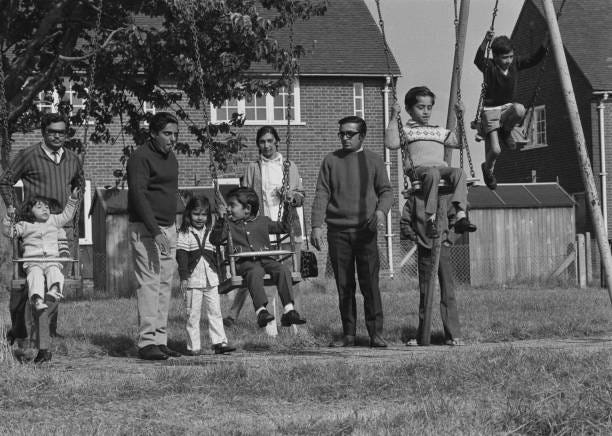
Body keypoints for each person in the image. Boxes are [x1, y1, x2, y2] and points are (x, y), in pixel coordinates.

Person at [0, 112, 83, 345]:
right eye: (52, 131)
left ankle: (46, 333)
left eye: (62, 132)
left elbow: (79, 184)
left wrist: (75, 205)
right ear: (43, 132)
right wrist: (16, 210)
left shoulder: (73, 159)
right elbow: (5, 181)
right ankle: (19, 331)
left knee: (54, 284)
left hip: (60, 229)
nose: (57, 136)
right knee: (24, 285)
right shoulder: (29, 155)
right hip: (32, 229)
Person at [310, 116, 393, 348]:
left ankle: (376, 333)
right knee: (344, 284)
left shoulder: (374, 161)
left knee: (370, 284)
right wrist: (316, 225)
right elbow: (321, 194)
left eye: (350, 134)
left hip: (366, 230)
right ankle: (349, 334)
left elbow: (386, 191)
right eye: (342, 134)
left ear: (362, 136)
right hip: (338, 232)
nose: (345, 138)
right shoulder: (330, 161)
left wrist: (380, 213)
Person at [223, 125, 304, 327]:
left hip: (283, 223)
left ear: (276, 141)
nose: (266, 145)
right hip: (258, 222)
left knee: (284, 271)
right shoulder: (253, 167)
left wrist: (290, 197)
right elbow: (245, 195)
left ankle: (292, 319)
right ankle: (251, 318)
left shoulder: (289, 166)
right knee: (253, 269)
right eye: (262, 141)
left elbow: (300, 195)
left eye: (270, 140)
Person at [385, 86, 477, 239]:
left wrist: (460, 116)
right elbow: (391, 142)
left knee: (459, 173)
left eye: (429, 107)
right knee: (432, 173)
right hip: (419, 170)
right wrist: (394, 116)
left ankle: (461, 215)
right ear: (408, 109)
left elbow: (459, 142)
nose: (426, 112)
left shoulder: (438, 131)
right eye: (421, 107)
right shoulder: (406, 130)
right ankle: (430, 220)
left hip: (439, 168)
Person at [210, 187, 306, 329]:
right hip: (244, 263)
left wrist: (288, 206)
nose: (229, 208)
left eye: (232, 205)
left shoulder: (263, 221)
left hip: (266, 259)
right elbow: (215, 239)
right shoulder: (228, 224)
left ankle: (289, 310)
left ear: (247, 209)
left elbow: (284, 227)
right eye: (228, 205)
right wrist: (221, 220)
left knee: (282, 269)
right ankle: (261, 311)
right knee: (254, 272)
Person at [1, 187, 79, 362]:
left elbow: (67, 215)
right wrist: (8, 217)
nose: (45, 209)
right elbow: (9, 232)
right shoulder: (25, 225)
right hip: (33, 262)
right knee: (34, 278)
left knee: (55, 272)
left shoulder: (54, 221)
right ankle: (36, 299)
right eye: (39, 207)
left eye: (47, 207)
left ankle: (54, 289)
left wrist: (73, 199)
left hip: (51, 260)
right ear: (30, 211)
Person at [127, 112, 181, 361]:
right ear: (153, 134)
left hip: (169, 228)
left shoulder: (171, 158)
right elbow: (139, 196)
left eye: (175, 134)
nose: (173, 139)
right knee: (149, 284)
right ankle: (147, 342)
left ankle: (160, 338)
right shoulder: (140, 158)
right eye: (167, 134)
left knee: (164, 284)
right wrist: (155, 231)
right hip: (147, 230)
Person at [475, 30, 549, 190]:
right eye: (504, 57)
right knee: (495, 150)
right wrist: (485, 41)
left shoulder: (515, 63)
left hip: (507, 108)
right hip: (490, 111)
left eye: (510, 56)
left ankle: (505, 131)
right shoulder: (489, 66)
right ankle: (487, 169)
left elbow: (534, 59)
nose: (508, 61)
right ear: (495, 57)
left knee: (520, 109)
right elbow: (477, 59)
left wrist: (546, 40)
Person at [400, 188, 463, 347]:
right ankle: (423, 336)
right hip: (425, 249)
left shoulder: (444, 197)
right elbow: (405, 222)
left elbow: (456, 219)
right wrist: (416, 238)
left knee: (447, 291)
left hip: (442, 248)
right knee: (425, 292)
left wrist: (450, 239)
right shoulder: (415, 199)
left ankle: (453, 335)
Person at [176, 195, 236, 355]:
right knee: (192, 314)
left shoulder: (211, 232)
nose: (200, 218)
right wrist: (183, 277)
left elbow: (220, 238)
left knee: (215, 311)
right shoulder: (184, 233)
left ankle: (219, 342)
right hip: (192, 280)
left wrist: (223, 218)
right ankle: (193, 346)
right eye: (196, 214)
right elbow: (181, 256)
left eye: (203, 214)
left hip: (211, 279)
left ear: (208, 216)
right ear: (189, 214)